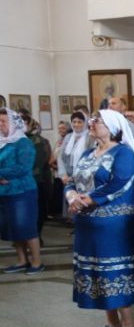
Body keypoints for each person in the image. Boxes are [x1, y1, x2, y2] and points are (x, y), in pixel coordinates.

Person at [66, 109, 134, 327]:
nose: (91, 122)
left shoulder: (123, 153)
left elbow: (119, 184)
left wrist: (87, 199)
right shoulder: (88, 153)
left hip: (113, 226)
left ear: (112, 126)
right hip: (87, 225)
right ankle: (111, 323)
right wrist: (71, 196)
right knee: (96, 272)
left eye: (97, 120)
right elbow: (72, 180)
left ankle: (129, 324)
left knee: (114, 272)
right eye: (92, 119)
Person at [0, 108, 43, 274]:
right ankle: (22, 260)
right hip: (4, 192)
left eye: (3, 121)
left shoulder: (23, 142)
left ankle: (37, 262)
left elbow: (23, 167)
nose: (0, 124)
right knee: (13, 228)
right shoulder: (2, 141)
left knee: (26, 227)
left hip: (22, 191)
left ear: (13, 123)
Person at [58, 111, 94, 219]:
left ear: (85, 123)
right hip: (68, 177)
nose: (76, 124)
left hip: (84, 178)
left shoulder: (90, 137)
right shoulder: (68, 137)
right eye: (74, 122)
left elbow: (92, 157)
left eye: (79, 122)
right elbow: (60, 157)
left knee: (83, 205)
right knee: (71, 204)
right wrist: (63, 174)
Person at [22, 115, 52, 243]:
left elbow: (38, 162)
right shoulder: (15, 140)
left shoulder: (38, 141)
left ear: (30, 124)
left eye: (24, 123)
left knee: (38, 210)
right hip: (22, 181)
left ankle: (35, 235)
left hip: (37, 180)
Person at [49, 120, 72, 218]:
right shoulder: (59, 141)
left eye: (63, 128)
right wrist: (52, 164)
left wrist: (56, 165)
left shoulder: (70, 140)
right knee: (58, 195)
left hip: (65, 172)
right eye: (59, 128)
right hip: (57, 172)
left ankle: (69, 217)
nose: (61, 130)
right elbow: (53, 156)